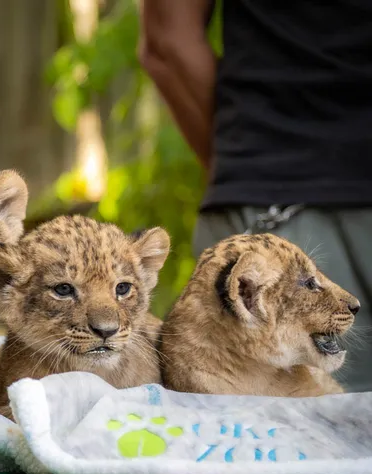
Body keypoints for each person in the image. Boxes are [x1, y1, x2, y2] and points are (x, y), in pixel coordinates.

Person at [139, 0, 372, 392]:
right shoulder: (255, 272)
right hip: (281, 216)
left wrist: (246, 164)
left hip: (273, 182)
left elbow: (168, 40)